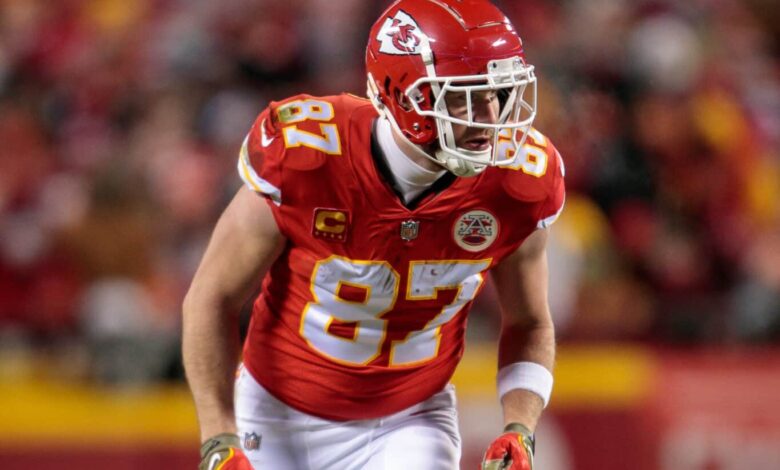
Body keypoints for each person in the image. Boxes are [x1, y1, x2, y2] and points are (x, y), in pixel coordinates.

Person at [182, 0, 565, 469]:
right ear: (403, 95)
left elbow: (530, 321)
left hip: (410, 419)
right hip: (276, 410)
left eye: (499, 93)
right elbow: (211, 297)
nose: (490, 116)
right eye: (464, 96)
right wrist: (219, 435)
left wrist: (520, 427)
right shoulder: (307, 157)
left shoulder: (517, 182)